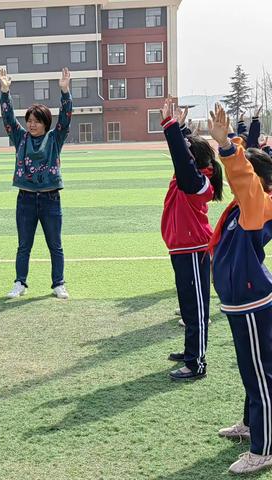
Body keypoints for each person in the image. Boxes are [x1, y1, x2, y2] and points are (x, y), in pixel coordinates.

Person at [209, 103, 272, 474]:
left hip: (251, 303)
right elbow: (245, 178)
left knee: (259, 374)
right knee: (252, 370)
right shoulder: (245, 206)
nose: (233, 182)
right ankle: (252, 426)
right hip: (241, 302)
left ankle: (264, 448)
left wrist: (230, 149)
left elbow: (245, 179)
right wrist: (233, 141)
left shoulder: (257, 206)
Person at [160, 97, 223, 380]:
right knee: (188, 305)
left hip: (193, 250)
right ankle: (190, 351)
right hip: (182, 249)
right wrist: (182, 128)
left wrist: (171, 126)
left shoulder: (196, 182)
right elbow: (186, 157)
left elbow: (184, 160)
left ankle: (197, 363)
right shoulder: (192, 176)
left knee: (197, 308)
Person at [0, 66, 72, 299]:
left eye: (36, 121)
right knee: (24, 246)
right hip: (26, 199)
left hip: (51, 199)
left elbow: (67, 119)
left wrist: (65, 91)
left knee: (55, 245)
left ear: (45, 123)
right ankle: (19, 282)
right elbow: (8, 118)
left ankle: (58, 283)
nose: (31, 124)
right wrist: (4, 91)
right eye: (29, 120)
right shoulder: (20, 138)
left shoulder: (54, 138)